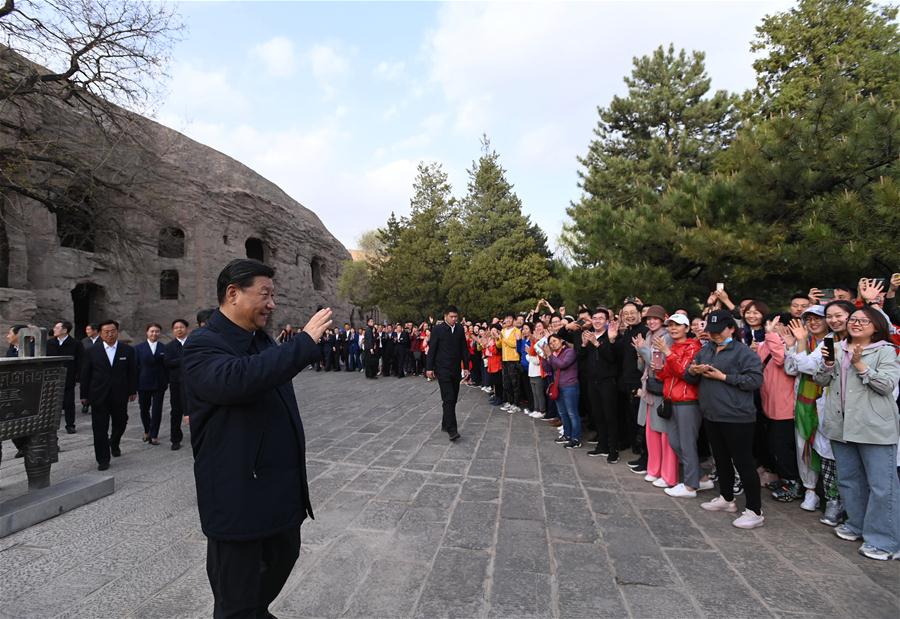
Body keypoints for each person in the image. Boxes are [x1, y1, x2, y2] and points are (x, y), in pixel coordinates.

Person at [182, 258, 331, 617]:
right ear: (233, 294)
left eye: (273, 295)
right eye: (265, 295)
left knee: (273, 573)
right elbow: (239, 379)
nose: (272, 304)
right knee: (236, 602)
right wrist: (304, 343)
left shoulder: (261, 342)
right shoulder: (203, 344)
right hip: (238, 504)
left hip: (278, 500)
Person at [814, 306, 900, 561]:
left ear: (876, 327)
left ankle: (886, 541)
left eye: (864, 321)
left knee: (882, 485)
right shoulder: (837, 348)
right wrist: (828, 365)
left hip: (873, 427)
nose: (856, 323)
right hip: (841, 426)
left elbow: (886, 385)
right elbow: (820, 380)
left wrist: (861, 365)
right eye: (854, 320)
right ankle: (857, 525)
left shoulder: (885, 350)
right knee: (849, 480)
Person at [684, 310, 765, 529]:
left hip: (737, 416)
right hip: (711, 413)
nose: (715, 335)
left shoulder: (744, 352)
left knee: (743, 462)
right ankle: (726, 498)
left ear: (731, 329)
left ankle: (754, 510)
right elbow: (688, 376)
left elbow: (755, 380)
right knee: (720, 459)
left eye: (719, 331)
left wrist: (724, 377)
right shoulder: (706, 349)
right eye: (711, 332)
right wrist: (693, 369)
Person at [654, 314, 709, 498]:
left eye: (678, 325)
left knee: (687, 444)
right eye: (670, 325)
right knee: (675, 442)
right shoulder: (671, 347)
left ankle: (690, 486)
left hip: (688, 401)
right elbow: (662, 376)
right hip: (671, 399)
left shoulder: (693, 346)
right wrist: (658, 362)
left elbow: (684, 372)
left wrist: (668, 354)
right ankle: (701, 477)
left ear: (687, 328)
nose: (673, 328)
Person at [80, 320, 138, 471]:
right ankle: (103, 459)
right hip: (98, 395)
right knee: (99, 428)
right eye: (106, 332)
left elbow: (132, 372)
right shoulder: (92, 351)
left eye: (113, 331)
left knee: (121, 421)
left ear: (117, 332)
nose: (110, 334)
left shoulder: (127, 350)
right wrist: (84, 395)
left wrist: (133, 390)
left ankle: (114, 442)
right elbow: (85, 374)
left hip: (120, 394)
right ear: (100, 334)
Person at [580, 307, 620, 461]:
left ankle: (613, 449)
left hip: (607, 382)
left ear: (607, 321)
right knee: (597, 415)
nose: (597, 321)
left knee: (610, 416)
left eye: (601, 318)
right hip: (592, 381)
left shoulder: (612, 336)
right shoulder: (588, 336)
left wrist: (597, 343)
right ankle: (602, 445)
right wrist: (584, 344)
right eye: (595, 318)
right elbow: (581, 359)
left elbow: (611, 358)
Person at [425, 305, 470, 441]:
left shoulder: (460, 329)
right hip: (442, 369)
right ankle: (452, 430)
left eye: (456, 317)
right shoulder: (438, 329)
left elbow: (464, 348)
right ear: (445, 316)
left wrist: (466, 366)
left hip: (456, 368)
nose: (454, 319)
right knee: (449, 397)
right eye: (451, 317)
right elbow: (432, 349)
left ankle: (445, 423)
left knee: (452, 399)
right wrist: (429, 368)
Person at [543, 332, 581, 448]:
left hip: (570, 386)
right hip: (558, 387)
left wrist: (550, 356)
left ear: (561, 341)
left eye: (554, 341)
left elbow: (563, 364)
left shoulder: (569, 352)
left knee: (572, 413)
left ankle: (576, 438)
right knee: (563, 413)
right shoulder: (554, 354)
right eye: (550, 343)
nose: (552, 344)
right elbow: (548, 369)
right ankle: (567, 435)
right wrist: (545, 358)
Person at [136, 323, 169, 445]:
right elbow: (136, 367)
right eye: (152, 331)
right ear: (147, 332)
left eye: (157, 331)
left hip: (159, 383)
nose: (154, 334)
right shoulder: (139, 348)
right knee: (144, 408)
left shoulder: (164, 348)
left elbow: (167, 366)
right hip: (143, 383)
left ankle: (154, 434)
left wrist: (166, 380)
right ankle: (147, 430)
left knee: (157, 410)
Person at [47, 320, 82, 434]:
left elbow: (80, 362)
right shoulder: (50, 343)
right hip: (52, 378)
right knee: (51, 403)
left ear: (65, 330)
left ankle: (70, 425)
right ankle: (50, 426)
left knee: (69, 402)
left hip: (68, 377)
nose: (54, 329)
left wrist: (77, 376)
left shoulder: (75, 344)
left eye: (57, 328)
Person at [164, 319, 190, 451]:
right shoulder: (169, 347)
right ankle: (175, 439)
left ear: (187, 329)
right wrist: (184, 359)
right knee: (176, 411)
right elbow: (168, 362)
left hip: (193, 382)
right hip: (176, 383)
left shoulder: (193, 344)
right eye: (176, 328)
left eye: (181, 327)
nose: (179, 330)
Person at [500, 312, 523, 414]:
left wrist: (503, 338)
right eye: (506, 318)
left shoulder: (517, 331)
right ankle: (509, 402)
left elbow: (515, 344)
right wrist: (497, 338)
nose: (508, 320)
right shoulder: (503, 330)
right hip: (504, 359)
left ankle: (516, 404)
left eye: (510, 318)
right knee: (506, 383)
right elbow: (499, 345)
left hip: (513, 360)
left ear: (513, 320)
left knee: (515, 383)